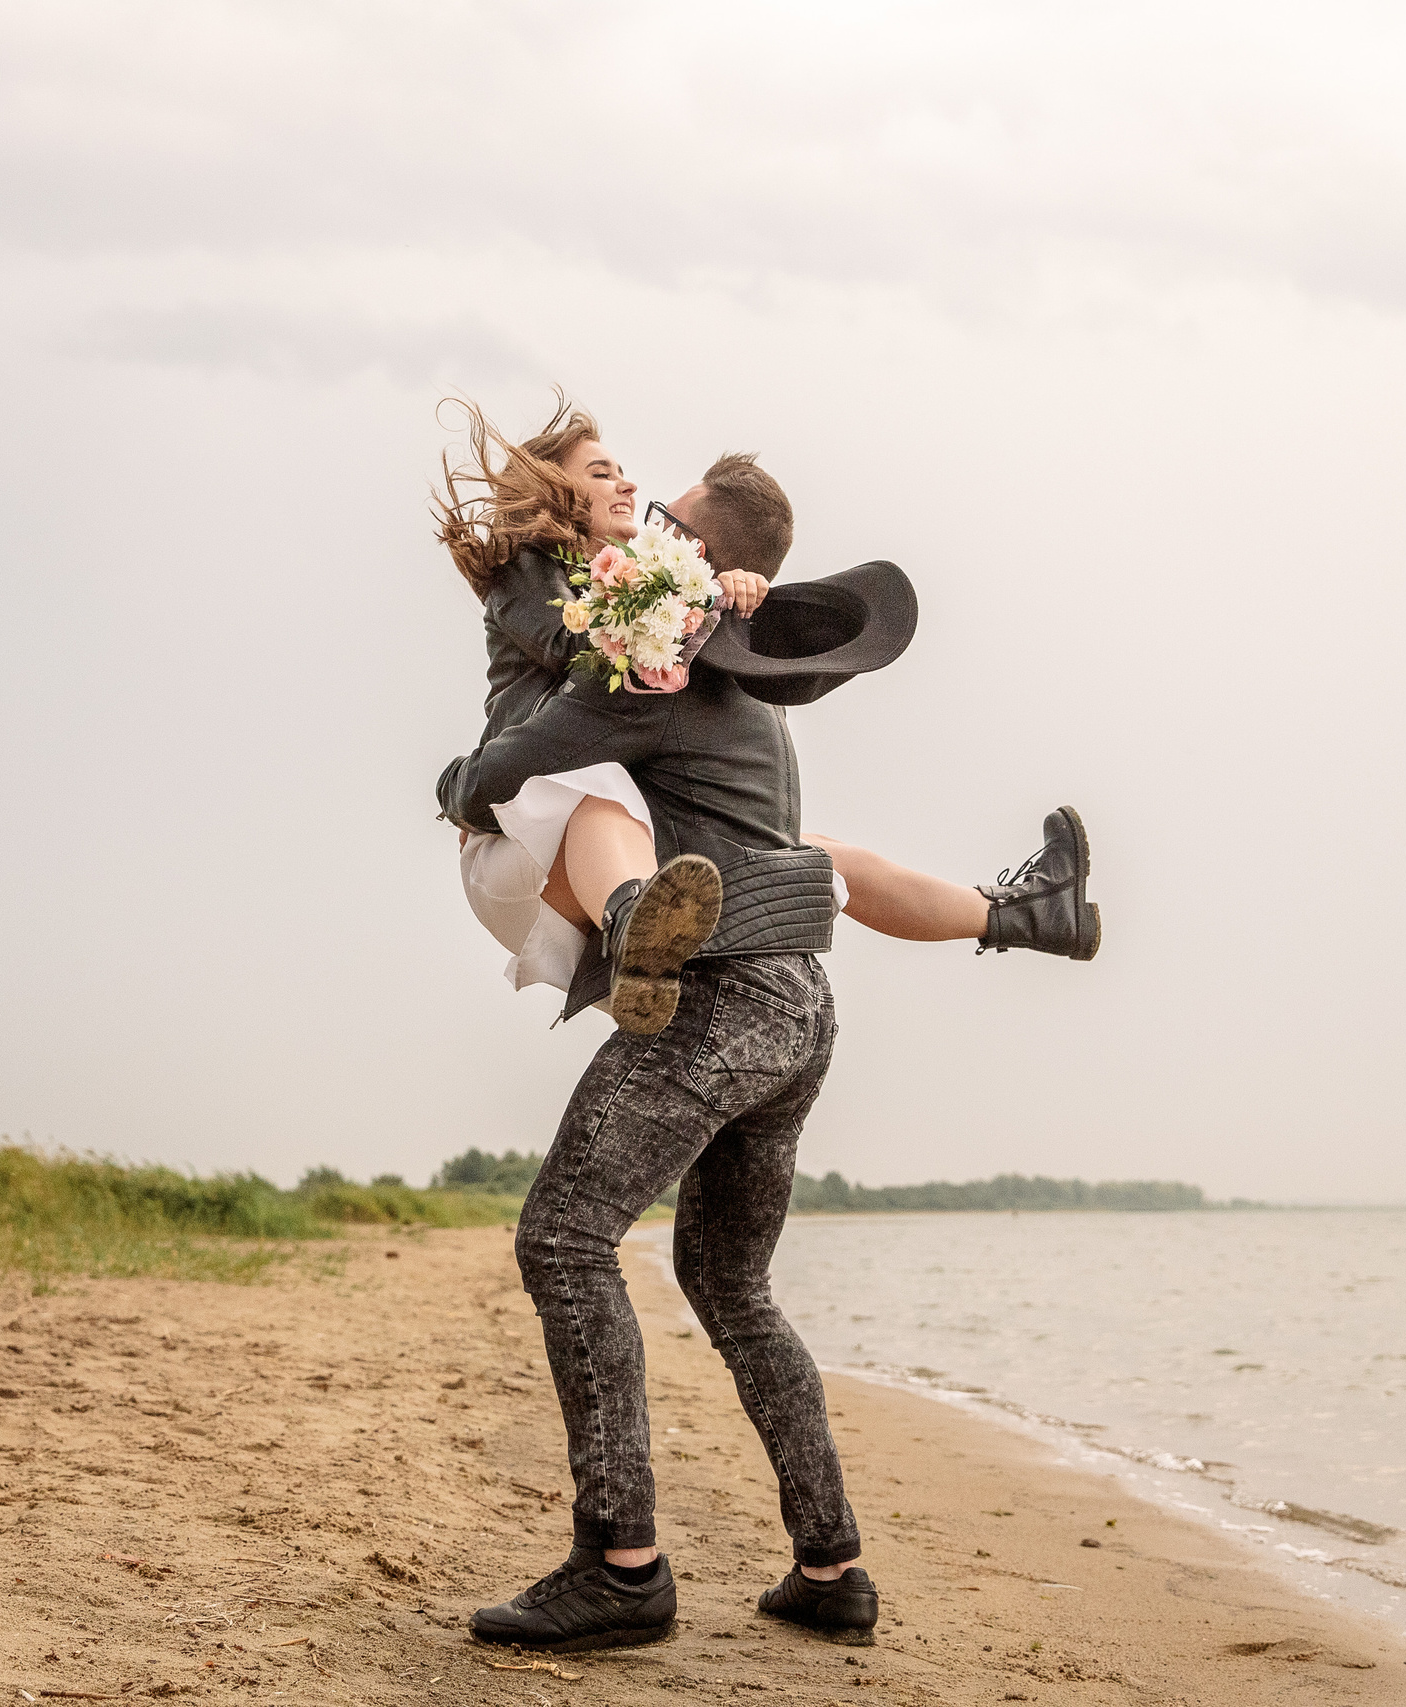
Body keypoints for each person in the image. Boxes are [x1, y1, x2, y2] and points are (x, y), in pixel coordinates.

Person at [435, 543, 917, 1650]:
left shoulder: (656, 684)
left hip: (719, 1001)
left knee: (563, 1240)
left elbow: (503, 768)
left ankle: (619, 1564)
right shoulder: (757, 699)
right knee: (729, 1283)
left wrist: (454, 784)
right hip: (802, 1001)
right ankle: (830, 1562)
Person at [435, 398, 1096, 1031]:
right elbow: (581, 650)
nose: (631, 484)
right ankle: (635, 930)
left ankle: (1021, 913)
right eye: (602, 472)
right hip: (517, 828)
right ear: (552, 491)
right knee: (600, 799)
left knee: (808, 855)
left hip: (605, 844)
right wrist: (700, 594)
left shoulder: (647, 614)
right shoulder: (531, 572)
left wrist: (716, 594)